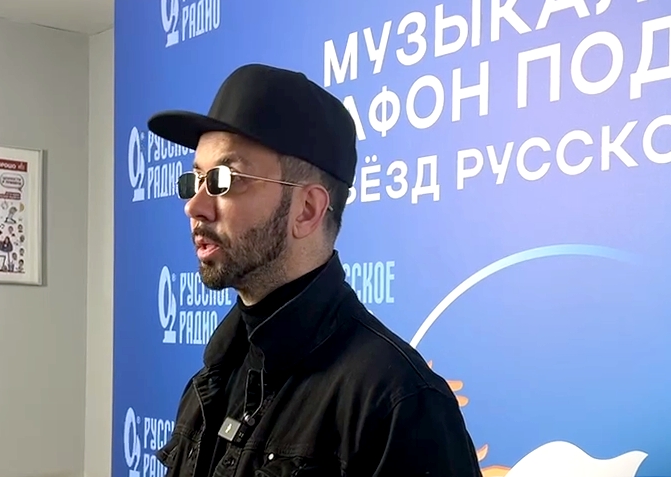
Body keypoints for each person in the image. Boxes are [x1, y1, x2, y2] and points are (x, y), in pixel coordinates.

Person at [147, 63, 482, 477]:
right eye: (196, 179)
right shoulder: (213, 380)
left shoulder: (398, 403)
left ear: (306, 210)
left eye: (224, 179)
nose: (194, 206)